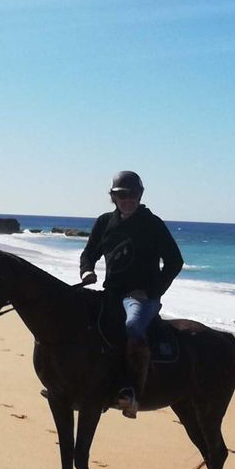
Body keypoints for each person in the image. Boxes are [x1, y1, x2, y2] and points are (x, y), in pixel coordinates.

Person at [78, 171, 183, 418]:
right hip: (110, 293)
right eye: (122, 195)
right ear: (113, 197)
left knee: (133, 327)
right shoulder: (104, 222)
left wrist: (151, 292)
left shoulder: (152, 224)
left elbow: (175, 262)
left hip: (140, 298)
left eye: (132, 194)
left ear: (140, 195)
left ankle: (132, 393)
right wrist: (87, 272)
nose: (128, 199)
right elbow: (88, 254)